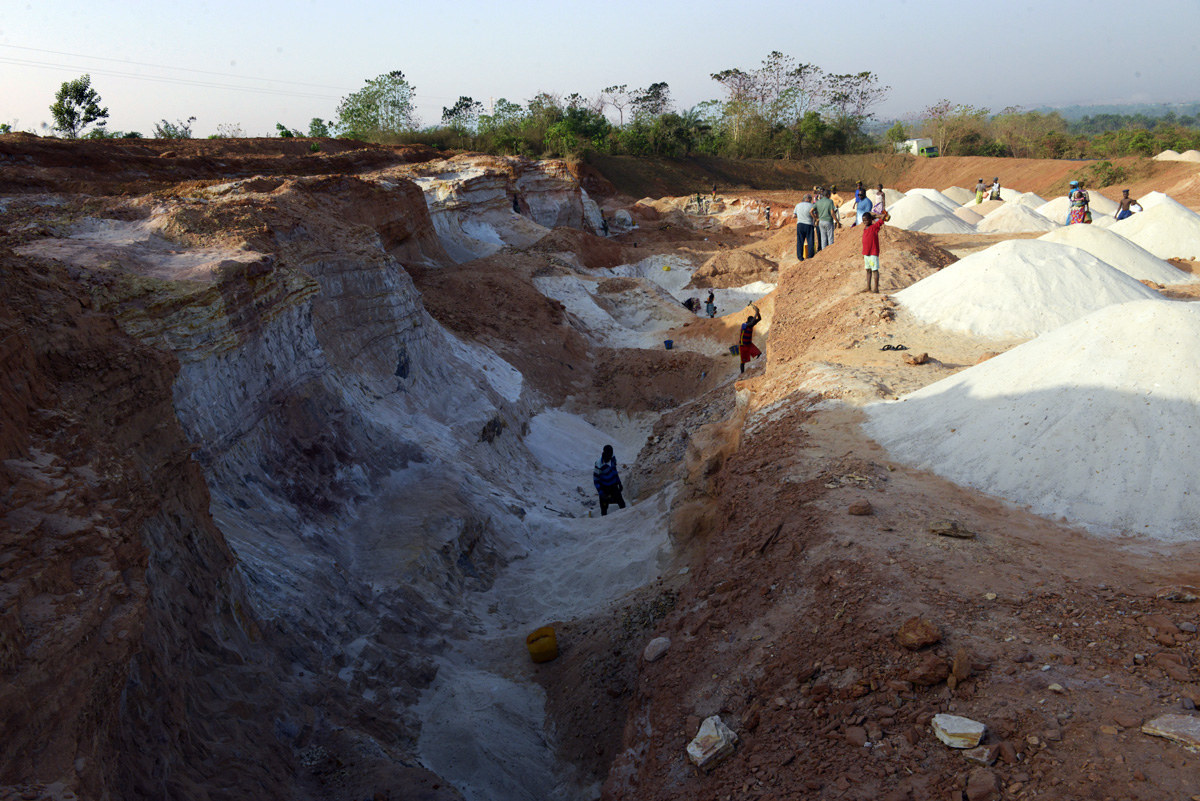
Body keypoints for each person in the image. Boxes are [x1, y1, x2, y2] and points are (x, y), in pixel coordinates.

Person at [861, 209, 890, 294]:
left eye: (866, 220)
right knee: (868, 270)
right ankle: (868, 287)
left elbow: (883, 217)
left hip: (873, 252)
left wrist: (875, 216)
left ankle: (876, 288)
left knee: (874, 270)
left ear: (870, 220)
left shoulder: (875, 227)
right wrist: (871, 217)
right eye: (863, 220)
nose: (865, 222)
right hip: (866, 253)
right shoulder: (865, 227)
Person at [593, 445, 626, 515]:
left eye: (611, 454)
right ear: (604, 453)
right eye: (608, 454)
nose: (610, 456)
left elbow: (615, 471)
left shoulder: (613, 459)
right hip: (604, 487)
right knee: (604, 508)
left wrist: (619, 483)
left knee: (622, 504)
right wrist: (601, 493)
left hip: (613, 485)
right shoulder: (599, 464)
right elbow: (596, 480)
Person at [739, 304, 762, 373]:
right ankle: (742, 373)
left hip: (749, 344)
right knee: (743, 362)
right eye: (752, 320)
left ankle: (757, 365)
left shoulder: (750, 325)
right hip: (743, 346)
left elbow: (759, 319)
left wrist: (758, 313)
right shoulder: (744, 325)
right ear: (748, 321)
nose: (753, 322)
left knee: (759, 354)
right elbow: (752, 322)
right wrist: (756, 313)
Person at [794, 193, 817, 261]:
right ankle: (810, 256)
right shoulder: (812, 205)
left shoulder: (798, 205)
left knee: (800, 241)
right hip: (809, 224)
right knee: (810, 240)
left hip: (800, 224)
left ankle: (800, 257)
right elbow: (815, 214)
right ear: (809, 199)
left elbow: (794, 216)